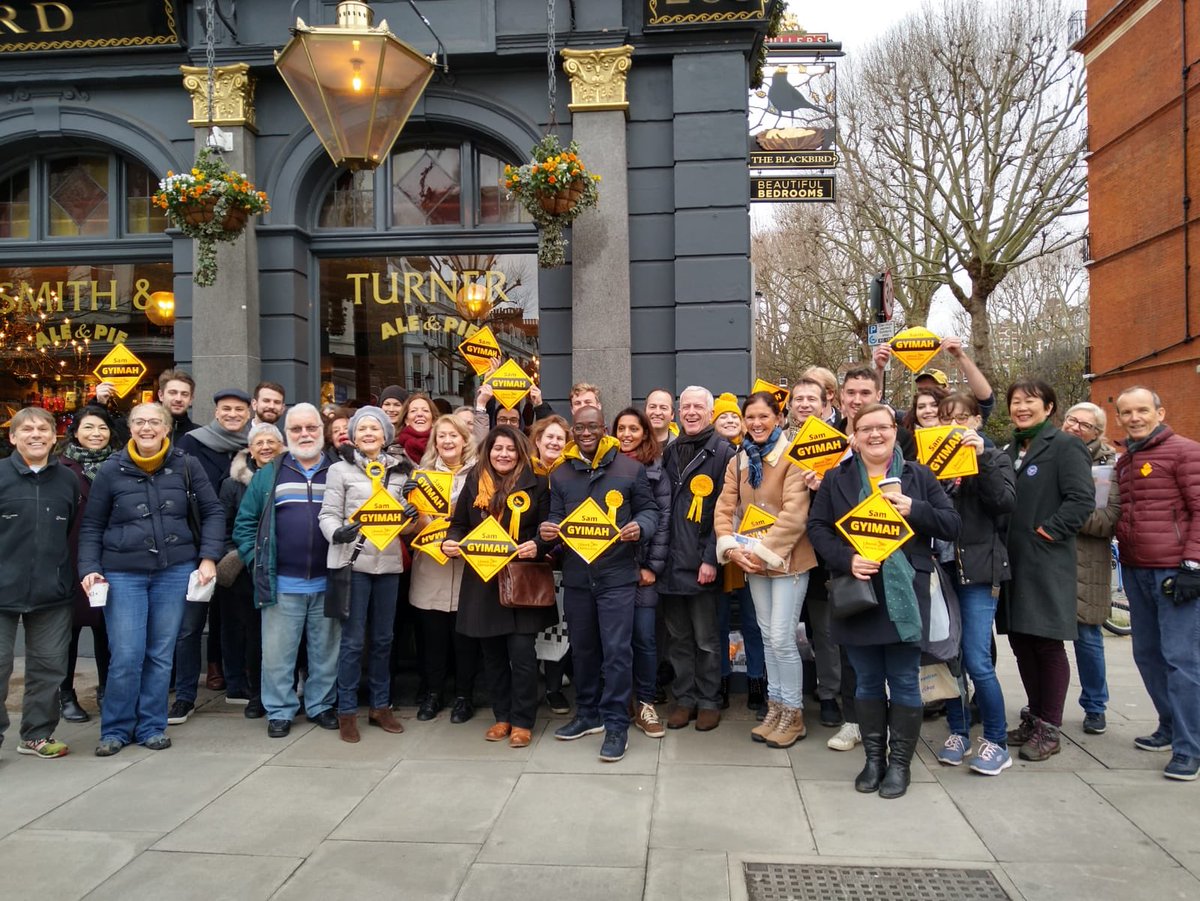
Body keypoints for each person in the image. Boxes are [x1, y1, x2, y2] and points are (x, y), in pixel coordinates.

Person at [808, 402, 961, 798]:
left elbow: (951, 524)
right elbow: (818, 528)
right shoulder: (835, 479)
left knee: (905, 681)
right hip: (857, 592)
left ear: (895, 430)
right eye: (866, 429)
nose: (875, 434)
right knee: (867, 681)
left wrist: (916, 508)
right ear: (854, 437)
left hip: (906, 594)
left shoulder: (918, 476)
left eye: (883, 427)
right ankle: (874, 759)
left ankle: (900, 764)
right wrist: (847, 559)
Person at [80, 403, 223, 756]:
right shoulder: (112, 470)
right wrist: (89, 567)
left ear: (167, 427)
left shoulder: (186, 465)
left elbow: (213, 511)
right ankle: (115, 728)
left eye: (154, 422)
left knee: (160, 653)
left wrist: (208, 557)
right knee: (127, 654)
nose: (147, 427)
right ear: (130, 428)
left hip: (174, 571)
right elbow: (93, 524)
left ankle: (151, 725)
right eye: (140, 421)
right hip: (123, 572)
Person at [541, 406, 658, 762]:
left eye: (593, 426)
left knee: (618, 651)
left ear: (604, 428)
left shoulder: (630, 469)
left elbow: (650, 511)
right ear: (573, 431)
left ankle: (616, 724)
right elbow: (555, 518)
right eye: (580, 427)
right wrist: (548, 530)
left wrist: (642, 527)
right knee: (583, 649)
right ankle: (588, 714)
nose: (586, 432)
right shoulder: (560, 474)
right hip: (577, 577)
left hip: (617, 576)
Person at [998, 379, 1094, 762]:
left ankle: (1050, 727)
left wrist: (1048, 531)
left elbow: (1081, 500)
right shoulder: (1008, 450)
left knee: (1047, 642)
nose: (1022, 407)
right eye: (1016, 402)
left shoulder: (1066, 446)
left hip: (1046, 559)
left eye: (1030, 401)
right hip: (1013, 561)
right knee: (1021, 641)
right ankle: (1034, 715)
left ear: (1049, 407)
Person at [715, 391, 816, 749]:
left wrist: (760, 553)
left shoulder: (791, 457)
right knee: (766, 634)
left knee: (782, 638)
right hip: (752, 562)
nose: (756, 423)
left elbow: (794, 514)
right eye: (751, 417)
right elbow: (725, 507)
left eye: (763, 416)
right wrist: (730, 547)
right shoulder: (740, 459)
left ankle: (794, 712)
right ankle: (776, 707)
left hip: (788, 561)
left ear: (778, 416)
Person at [444, 426, 555, 749]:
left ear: (520, 451)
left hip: (522, 581)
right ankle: (502, 716)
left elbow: (550, 531)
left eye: (509, 448)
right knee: (491, 655)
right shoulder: (474, 481)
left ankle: (522, 721)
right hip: (484, 581)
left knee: (521, 654)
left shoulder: (539, 483)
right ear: (487, 451)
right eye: (497, 448)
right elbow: (458, 526)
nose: (503, 454)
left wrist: (537, 545)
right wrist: (451, 543)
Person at [233, 404, 340, 738]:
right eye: (296, 429)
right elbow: (245, 524)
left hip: (330, 580)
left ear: (321, 430)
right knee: (278, 655)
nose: (304, 435)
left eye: (310, 428)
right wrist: (256, 561)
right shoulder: (271, 473)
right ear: (286, 433)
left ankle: (321, 705)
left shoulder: (338, 470)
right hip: (281, 583)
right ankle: (279, 710)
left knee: (325, 652)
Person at [1113, 386, 1200, 781]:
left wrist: (1192, 565)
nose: (1134, 417)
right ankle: (1169, 725)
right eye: (1127, 412)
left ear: (1160, 413)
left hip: (1173, 572)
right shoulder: (1125, 460)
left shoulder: (1185, 452)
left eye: (1142, 410)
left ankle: (1189, 747)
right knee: (1147, 655)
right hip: (1135, 569)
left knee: (1181, 660)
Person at [319, 406, 417, 742]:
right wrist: (337, 532)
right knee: (352, 640)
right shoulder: (339, 470)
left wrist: (411, 515)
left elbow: (408, 528)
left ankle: (380, 706)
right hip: (353, 564)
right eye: (363, 429)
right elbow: (327, 514)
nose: (369, 434)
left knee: (383, 640)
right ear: (354, 435)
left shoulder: (403, 473)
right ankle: (346, 710)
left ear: (386, 435)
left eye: (375, 428)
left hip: (388, 564)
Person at [931, 392, 1017, 776]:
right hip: (940, 571)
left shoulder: (995, 457)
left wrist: (980, 458)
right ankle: (958, 731)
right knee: (948, 657)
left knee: (978, 659)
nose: (955, 424)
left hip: (978, 571)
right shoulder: (932, 461)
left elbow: (1003, 503)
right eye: (948, 417)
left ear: (977, 422)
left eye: (963, 418)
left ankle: (996, 739)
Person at [0, 407, 81, 759]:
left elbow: (72, 529)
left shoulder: (67, 480)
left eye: (43, 429)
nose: (36, 434)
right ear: (13, 437)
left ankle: (35, 735)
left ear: (54, 437)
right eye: (27, 429)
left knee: (48, 668)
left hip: (53, 593)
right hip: (2, 591)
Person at [660, 387, 736, 731]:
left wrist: (711, 559)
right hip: (671, 564)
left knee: (706, 640)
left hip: (702, 564)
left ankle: (708, 700)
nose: (691, 412)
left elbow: (726, 511)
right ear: (678, 413)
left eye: (698, 407)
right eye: (685, 406)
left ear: (711, 412)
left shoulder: (723, 452)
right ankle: (684, 699)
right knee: (678, 639)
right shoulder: (670, 450)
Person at [175, 387, 253, 702]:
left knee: (234, 616)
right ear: (216, 412)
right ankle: (184, 692)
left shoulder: (251, 446)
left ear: (249, 413)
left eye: (239, 409)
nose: (233, 414)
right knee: (191, 624)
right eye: (226, 409)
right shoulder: (192, 443)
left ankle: (232, 676)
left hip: (235, 547)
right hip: (197, 541)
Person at [409, 415, 479, 724]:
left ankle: (464, 696)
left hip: (467, 569)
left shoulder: (481, 474)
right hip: (431, 569)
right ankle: (434, 694)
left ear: (465, 439)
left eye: (454, 435)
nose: (448, 441)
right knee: (433, 639)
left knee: (465, 640)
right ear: (434, 443)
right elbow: (408, 528)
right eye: (442, 436)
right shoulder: (420, 476)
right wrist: (413, 514)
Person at [786, 376, 845, 731]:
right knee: (784, 629)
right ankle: (788, 696)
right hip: (789, 549)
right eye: (798, 399)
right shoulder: (784, 441)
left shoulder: (841, 442)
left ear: (825, 403)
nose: (804, 404)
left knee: (824, 629)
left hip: (826, 551)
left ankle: (829, 695)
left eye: (811, 398)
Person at [216, 422, 284, 718]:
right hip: (247, 568)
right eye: (260, 442)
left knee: (283, 635)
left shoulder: (288, 476)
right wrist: (247, 555)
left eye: (272, 441)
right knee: (253, 633)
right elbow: (227, 525)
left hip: (283, 565)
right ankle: (256, 693)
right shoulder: (232, 484)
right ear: (250, 449)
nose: (266, 446)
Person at [1061, 402, 1120, 737]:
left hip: (1089, 561)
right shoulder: (1050, 455)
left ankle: (1095, 705)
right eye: (1071, 420)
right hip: (1051, 556)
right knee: (1046, 639)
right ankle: (1044, 704)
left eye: (1084, 424)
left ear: (1098, 433)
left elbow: (1106, 520)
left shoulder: (1108, 465)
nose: (1074, 427)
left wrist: (1061, 512)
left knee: (1087, 638)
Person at [58, 405, 119, 724]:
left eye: (102, 428)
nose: (96, 434)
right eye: (89, 428)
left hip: (111, 559)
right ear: (76, 432)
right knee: (68, 632)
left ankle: (107, 690)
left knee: (107, 631)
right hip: (70, 559)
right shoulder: (62, 468)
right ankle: (65, 693)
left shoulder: (121, 464)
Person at [612, 407, 670, 738]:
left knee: (645, 637)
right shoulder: (605, 464)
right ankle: (619, 703)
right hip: (611, 568)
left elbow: (662, 521)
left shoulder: (657, 469)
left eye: (634, 428)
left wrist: (651, 566)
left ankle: (646, 702)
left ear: (645, 433)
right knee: (615, 640)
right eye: (621, 428)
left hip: (644, 567)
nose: (627, 434)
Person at [709, 393, 766, 711]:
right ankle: (722, 679)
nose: (729, 422)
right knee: (716, 623)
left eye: (734, 417)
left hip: (752, 548)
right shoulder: (710, 456)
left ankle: (757, 681)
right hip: (720, 552)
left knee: (753, 621)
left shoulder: (755, 454)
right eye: (723, 418)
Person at [530, 415, 573, 714]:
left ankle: (554, 688)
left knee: (558, 627)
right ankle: (529, 686)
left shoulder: (571, 472)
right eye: (549, 437)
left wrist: (554, 546)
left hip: (562, 560)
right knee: (528, 628)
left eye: (560, 438)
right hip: (529, 560)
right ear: (537, 441)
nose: (555, 442)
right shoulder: (523, 472)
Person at [834, 367, 916, 460]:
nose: (857, 401)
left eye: (865, 393)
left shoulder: (901, 438)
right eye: (851, 393)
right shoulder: (829, 437)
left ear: (878, 395)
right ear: (842, 395)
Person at [392, 392, 435, 462]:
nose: (420, 414)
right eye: (413, 411)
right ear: (406, 420)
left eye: (425, 410)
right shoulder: (392, 453)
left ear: (433, 420)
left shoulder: (443, 448)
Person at [157, 368, 198, 441]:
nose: (178, 399)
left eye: (184, 394)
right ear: (161, 395)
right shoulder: (145, 432)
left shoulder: (199, 435)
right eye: (172, 393)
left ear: (191, 399)